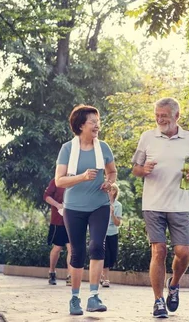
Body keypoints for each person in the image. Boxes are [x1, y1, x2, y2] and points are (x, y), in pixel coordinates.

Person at [131, 97, 189, 318]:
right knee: (159, 250)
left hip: (180, 204)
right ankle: (158, 300)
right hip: (153, 204)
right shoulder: (147, 137)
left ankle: (174, 284)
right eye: (157, 116)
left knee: (183, 253)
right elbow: (135, 168)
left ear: (177, 116)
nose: (160, 120)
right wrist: (143, 170)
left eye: (164, 116)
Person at [55, 104, 117, 315]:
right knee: (78, 251)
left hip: (99, 205)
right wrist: (82, 177)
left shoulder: (104, 148)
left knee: (97, 246)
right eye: (93, 122)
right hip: (73, 207)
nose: (97, 125)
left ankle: (93, 296)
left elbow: (112, 172)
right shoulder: (68, 149)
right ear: (81, 125)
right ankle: (74, 299)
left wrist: (109, 182)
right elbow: (59, 181)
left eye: (98, 122)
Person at [43, 178, 72, 286]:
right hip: (58, 220)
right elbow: (46, 196)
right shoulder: (56, 181)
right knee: (57, 248)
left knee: (71, 249)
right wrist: (57, 205)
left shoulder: (78, 179)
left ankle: (70, 276)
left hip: (72, 221)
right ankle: (52, 272)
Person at [100, 183, 123, 287]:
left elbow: (118, 223)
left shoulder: (118, 205)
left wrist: (112, 214)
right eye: (109, 190)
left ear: (115, 192)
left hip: (113, 233)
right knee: (106, 256)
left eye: (112, 190)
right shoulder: (101, 203)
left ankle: (101, 274)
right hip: (102, 233)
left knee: (112, 256)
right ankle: (106, 278)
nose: (110, 191)